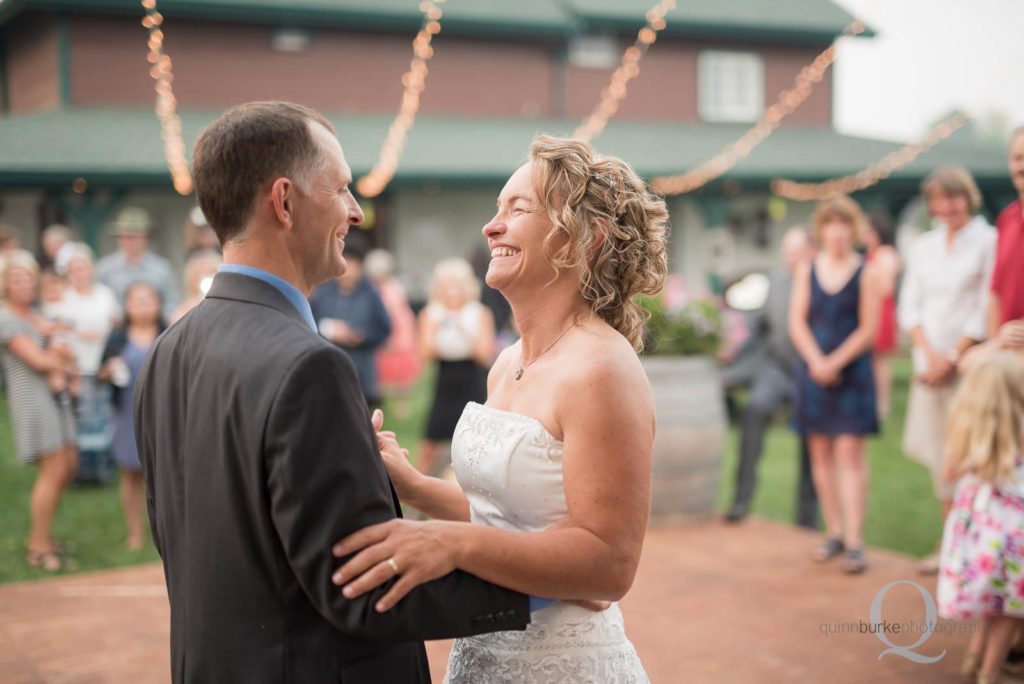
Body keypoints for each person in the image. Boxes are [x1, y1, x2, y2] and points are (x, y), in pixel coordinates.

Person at [134, 101, 534, 684]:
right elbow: (363, 589)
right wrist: (543, 592)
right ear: (285, 201)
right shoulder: (308, 367)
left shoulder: (168, 350)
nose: (354, 212)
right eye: (342, 189)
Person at [332, 134, 668, 681]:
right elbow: (506, 523)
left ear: (588, 236)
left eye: (518, 209)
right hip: (482, 657)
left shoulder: (603, 369)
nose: (491, 227)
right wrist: (413, 484)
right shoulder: (506, 361)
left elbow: (608, 565)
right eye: (496, 209)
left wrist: (453, 545)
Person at [899, 165, 996, 575]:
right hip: (929, 366)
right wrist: (929, 356)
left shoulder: (989, 240)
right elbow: (911, 305)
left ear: (967, 198)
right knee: (942, 458)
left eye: (953, 197)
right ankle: (950, 547)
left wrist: (954, 356)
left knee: (972, 458)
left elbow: (983, 305)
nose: (946, 206)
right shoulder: (924, 246)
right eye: (938, 199)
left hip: (970, 366)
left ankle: (980, 550)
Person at [789, 195, 880, 574]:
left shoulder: (867, 271)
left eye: (845, 225)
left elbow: (869, 327)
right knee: (820, 455)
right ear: (823, 229)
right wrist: (817, 361)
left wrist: (836, 362)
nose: (838, 232)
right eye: (831, 224)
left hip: (852, 376)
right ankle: (834, 532)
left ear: (853, 230)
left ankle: (856, 541)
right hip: (814, 373)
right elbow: (797, 321)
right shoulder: (807, 270)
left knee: (850, 454)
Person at [722, 227, 819, 528]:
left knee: (811, 438)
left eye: (795, 250)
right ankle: (741, 500)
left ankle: (807, 518)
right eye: (786, 251)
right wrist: (733, 354)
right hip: (777, 367)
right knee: (754, 409)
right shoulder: (776, 282)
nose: (789, 256)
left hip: (812, 370)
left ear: (811, 251)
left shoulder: (822, 282)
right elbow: (761, 327)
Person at [936, 352, 1024, 684]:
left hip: (978, 534)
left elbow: (948, 473)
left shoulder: (966, 431)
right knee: (1009, 611)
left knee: (991, 604)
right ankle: (991, 673)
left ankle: (973, 659)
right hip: (1015, 535)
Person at [0, 250, 78, 571]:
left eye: (28, 277)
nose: (23, 283)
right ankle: (38, 545)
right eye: (16, 278)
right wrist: (63, 362)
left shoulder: (37, 313)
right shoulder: (5, 318)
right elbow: (39, 361)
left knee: (68, 464)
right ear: (5, 283)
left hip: (54, 397)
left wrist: (64, 359)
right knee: (53, 469)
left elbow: (64, 350)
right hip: (32, 400)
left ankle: (45, 536)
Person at [99, 282, 165, 551]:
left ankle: (166, 532)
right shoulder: (117, 338)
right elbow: (100, 375)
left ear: (158, 304)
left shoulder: (169, 331)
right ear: (127, 306)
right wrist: (109, 371)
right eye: (136, 300)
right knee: (131, 475)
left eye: (148, 299)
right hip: (127, 413)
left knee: (163, 476)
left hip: (162, 412)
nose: (142, 305)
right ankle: (136, 534)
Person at [46, 244, 120, 484]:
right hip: (77, 367)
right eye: (74, 269)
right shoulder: (63, 299)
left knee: (105, 415)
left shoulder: (104, 294)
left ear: (91, 269)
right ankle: (83, 472)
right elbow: (58, 332)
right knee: (83, 418)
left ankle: (104, 468)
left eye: (83, 267)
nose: (79, 272)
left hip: (103, 364)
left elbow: (115, 324)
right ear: (68, 272)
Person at [416, 257, 494, 476]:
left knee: (479, 441)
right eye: (446, 285)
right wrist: (437, 326)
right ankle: (416, 499)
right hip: (445, 380)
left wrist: (461, 326)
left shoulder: (479, 313)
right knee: (430, 444)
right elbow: (425, 353)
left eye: (456, 285)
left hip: (473, 379)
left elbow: (483, 355)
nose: (451, 291)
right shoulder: (431, 314)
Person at [310, 231, 392, 410]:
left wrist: (361, 336)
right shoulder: (321, 293)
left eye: (352, 264)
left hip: (362, 370)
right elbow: (308, 324)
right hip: (328, 368)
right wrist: (327, 329)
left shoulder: (371, 294)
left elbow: (384, 329)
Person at [364, 248, 421, 418]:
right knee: (381, 370)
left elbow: (395, 312)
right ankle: (380, 407)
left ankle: (401, 408)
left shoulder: (393, 287)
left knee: (400, 371)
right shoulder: (372, 288)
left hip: (398, 331)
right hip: (383, 331)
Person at [96, 206, 179, 317]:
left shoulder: (162, 268)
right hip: (117, 329)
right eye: (125, 236)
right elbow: (99, 301)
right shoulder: (105, 268)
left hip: (157, 329)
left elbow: (171, 302)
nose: (129, 241)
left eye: (134, 236)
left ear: (145, 238)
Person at [863, 213, 902, 419]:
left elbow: (886, 287)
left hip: (881, 311)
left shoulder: (885, 254)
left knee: (880, 361)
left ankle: (882, 404)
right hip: (871, 308)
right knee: (871, 361)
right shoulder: (871, 254)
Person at [987, 127, 1024, 341]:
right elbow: (995, 292)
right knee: (969, 364)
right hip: (1007, 348)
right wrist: (994, 343)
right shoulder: (1006, 219)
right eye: (1017, 158)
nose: (1022, 166)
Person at [170, 249, 221, 322]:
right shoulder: (183, 310)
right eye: (198, 274)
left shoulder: (227, 305)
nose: (204, 278)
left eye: (209, 272)